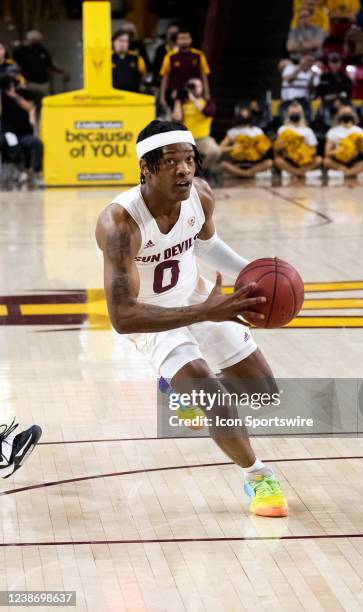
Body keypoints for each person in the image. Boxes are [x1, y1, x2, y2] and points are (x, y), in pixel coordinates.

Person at [95, 119, 288, 518]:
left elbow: (208, 245)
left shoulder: (200, 196)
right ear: (146, 168)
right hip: (150, 316)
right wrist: (207, 311)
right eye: (170, 162)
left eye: (189, 160)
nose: (184, 169)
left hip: (199, 295)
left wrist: (258, 272)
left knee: (264, 392)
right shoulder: (120, 224)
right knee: (212, 396)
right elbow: (123, 316)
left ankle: (178, 387)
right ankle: (258, 477)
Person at [172, 78, 220, 177]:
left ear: (202, 88)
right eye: (191, 86)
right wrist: (177, 99)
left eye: (196, 86)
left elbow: (208, 112)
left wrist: (193, 99)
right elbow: (177, 118)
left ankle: (203, 171)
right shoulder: (183, 102)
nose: (194, 89)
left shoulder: (207, 102)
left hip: (203, 138)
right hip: (186, 139)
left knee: (215, 151)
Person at [0, 74, 43, 184]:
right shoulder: (2, 97)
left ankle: (36, 173)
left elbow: (29, 107)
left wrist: (14, 96)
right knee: (9, 144)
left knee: (37, 143)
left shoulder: (22, 95)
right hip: (8, 134)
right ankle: (14, 172)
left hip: (23, 134)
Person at [159, 28, 210, 110]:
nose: (184, 41)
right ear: (177, 41)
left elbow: (204, 75)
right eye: (181, 38)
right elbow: (165, 77)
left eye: (186, 38)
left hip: (195, 94)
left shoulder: (199, 55)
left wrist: (207, 93)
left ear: (191, 40)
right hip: (176, 95)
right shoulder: (170, 57)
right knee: (177, 119)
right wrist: (162, 97)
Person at [220, 107, 273, 178]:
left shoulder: (257, 130)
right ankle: (247, 174)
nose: (245, 115)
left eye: (247, 114)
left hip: (255, 164)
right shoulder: (232, 131)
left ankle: (244, 174)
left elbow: (266, 147)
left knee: (269, 162)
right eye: (242, 114)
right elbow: (220, 148)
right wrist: (233, 147)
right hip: (238, 164)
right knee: (223, 165)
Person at [323, 105, 363, 177]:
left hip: (355, 161)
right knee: (326, 161)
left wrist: (359, 146)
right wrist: (339, 151)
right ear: (338, 116)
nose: (346, 115)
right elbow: (327, 152)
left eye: (348, 113)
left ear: (353, 115)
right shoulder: (333, 131)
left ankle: (348, 173)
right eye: (343, 113)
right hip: (339, 161)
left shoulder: (360, 131)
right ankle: (351, 172)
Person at [274, 102, 322, 178]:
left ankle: (294, 173)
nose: (295, 114)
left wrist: (303, 151)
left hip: (304, 161)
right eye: (293, 113)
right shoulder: (282, 129)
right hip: (288, 160)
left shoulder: (308, 130)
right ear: (288, 114)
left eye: (297, 112)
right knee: (278, 161)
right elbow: (276, 150)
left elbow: (314, 150)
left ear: (302, 114)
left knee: (319, 159)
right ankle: (301, 173)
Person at [13, 30, 68, 94]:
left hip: (44, 82)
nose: (36, 42)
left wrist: (60, 71)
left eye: (37, 40)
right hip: (29, 82)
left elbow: (49, 63)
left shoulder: (42, 50)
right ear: (29, 40)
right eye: (34, 40)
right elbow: (14, 64)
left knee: (44, 101)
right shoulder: (21, 51)